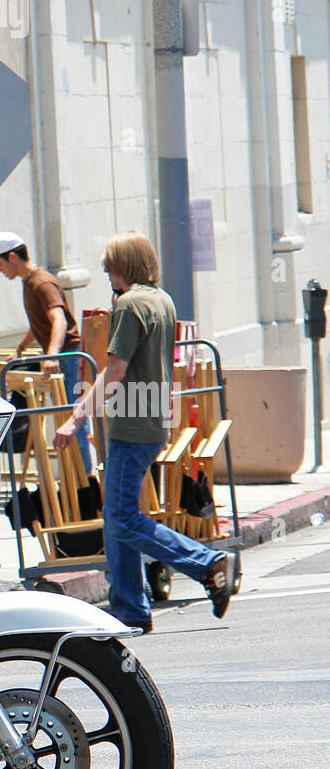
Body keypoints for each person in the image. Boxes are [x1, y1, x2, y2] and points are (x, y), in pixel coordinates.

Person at [55, 232, 236, 632]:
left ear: (125, 266)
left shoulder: (131, 304)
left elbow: (115, 370)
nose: (106, 274)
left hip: (131, 424)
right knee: (118, 517)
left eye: (109, 267)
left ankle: (206, 563)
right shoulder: (162, 299)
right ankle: (131, 607)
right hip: (153, 419)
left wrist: (75, 418)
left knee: (121, 518)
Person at [0, 230, 94, 474]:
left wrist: (52, 355)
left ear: (13, 257)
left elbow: (59, 320)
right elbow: (39, 323)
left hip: (67, 356)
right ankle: (79, 477)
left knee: (73, 416)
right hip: (60, 354)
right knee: (69, 416)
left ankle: (86, 481)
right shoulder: (30, 282)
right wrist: (20, 347)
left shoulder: (42, 283)